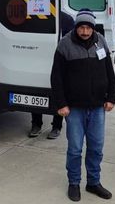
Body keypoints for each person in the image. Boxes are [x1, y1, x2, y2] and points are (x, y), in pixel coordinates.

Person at [50, 9, 115, 201]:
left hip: (97, 107)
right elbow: (57, 78)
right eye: (82, 27)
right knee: (75, 149)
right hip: (74, 109)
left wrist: (111, 97)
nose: (85, 32)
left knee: (96, 147)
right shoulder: (65, 45)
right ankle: (74, 183)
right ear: (76, 27)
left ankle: (93, 182)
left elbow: (109, 72)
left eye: (88, 27)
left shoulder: (101, 41)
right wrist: (61, 104)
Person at [29, 11, 74, 139]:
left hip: (58, 62)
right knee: (36, 93)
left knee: (58, 93)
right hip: (37, 61)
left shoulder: (66, 19)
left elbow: (69, 43)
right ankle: (36, 124)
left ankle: (57, 126)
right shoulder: (34, 16)